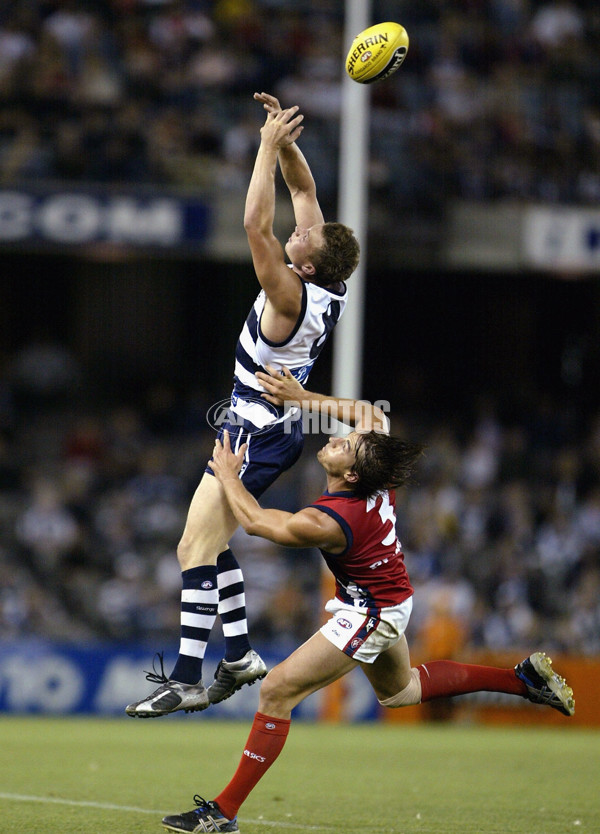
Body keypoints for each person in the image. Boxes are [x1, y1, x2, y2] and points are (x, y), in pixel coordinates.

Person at [160, 367, 575, 833]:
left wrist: (229, 476)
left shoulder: (330, 521)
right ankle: (523, 682)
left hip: (371, 612)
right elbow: (367, 415)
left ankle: (223, 812)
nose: (337, 440)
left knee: (276, 690)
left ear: (351, 473)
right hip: (388, 598)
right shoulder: (371, 475)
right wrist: (302, 396)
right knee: (401, 692)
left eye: (343, 446)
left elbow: (258, 524)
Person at [125, 93, 360, 718]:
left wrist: (259, 148)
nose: (298, 228)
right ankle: (239, 655)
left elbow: (256, 226)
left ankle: (187, 675)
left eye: (302, 237)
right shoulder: (326, 275)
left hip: (256, 428)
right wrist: (284, 141)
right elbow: (303, 188)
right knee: (210, 543)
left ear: (305, 265)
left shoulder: (288, 296)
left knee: (191, 551)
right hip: (258, 422)